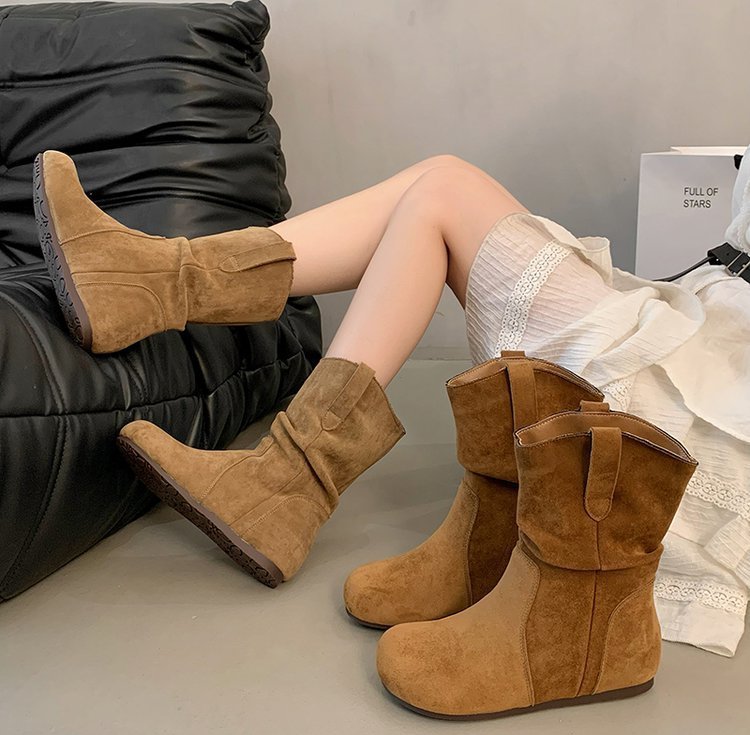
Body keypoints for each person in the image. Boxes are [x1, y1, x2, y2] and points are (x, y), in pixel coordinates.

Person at [34, 150, 749, 667]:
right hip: (715, 316)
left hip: (719, 389)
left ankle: (276, 462)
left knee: (444, 192)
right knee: (437, 182)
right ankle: (161, 295)